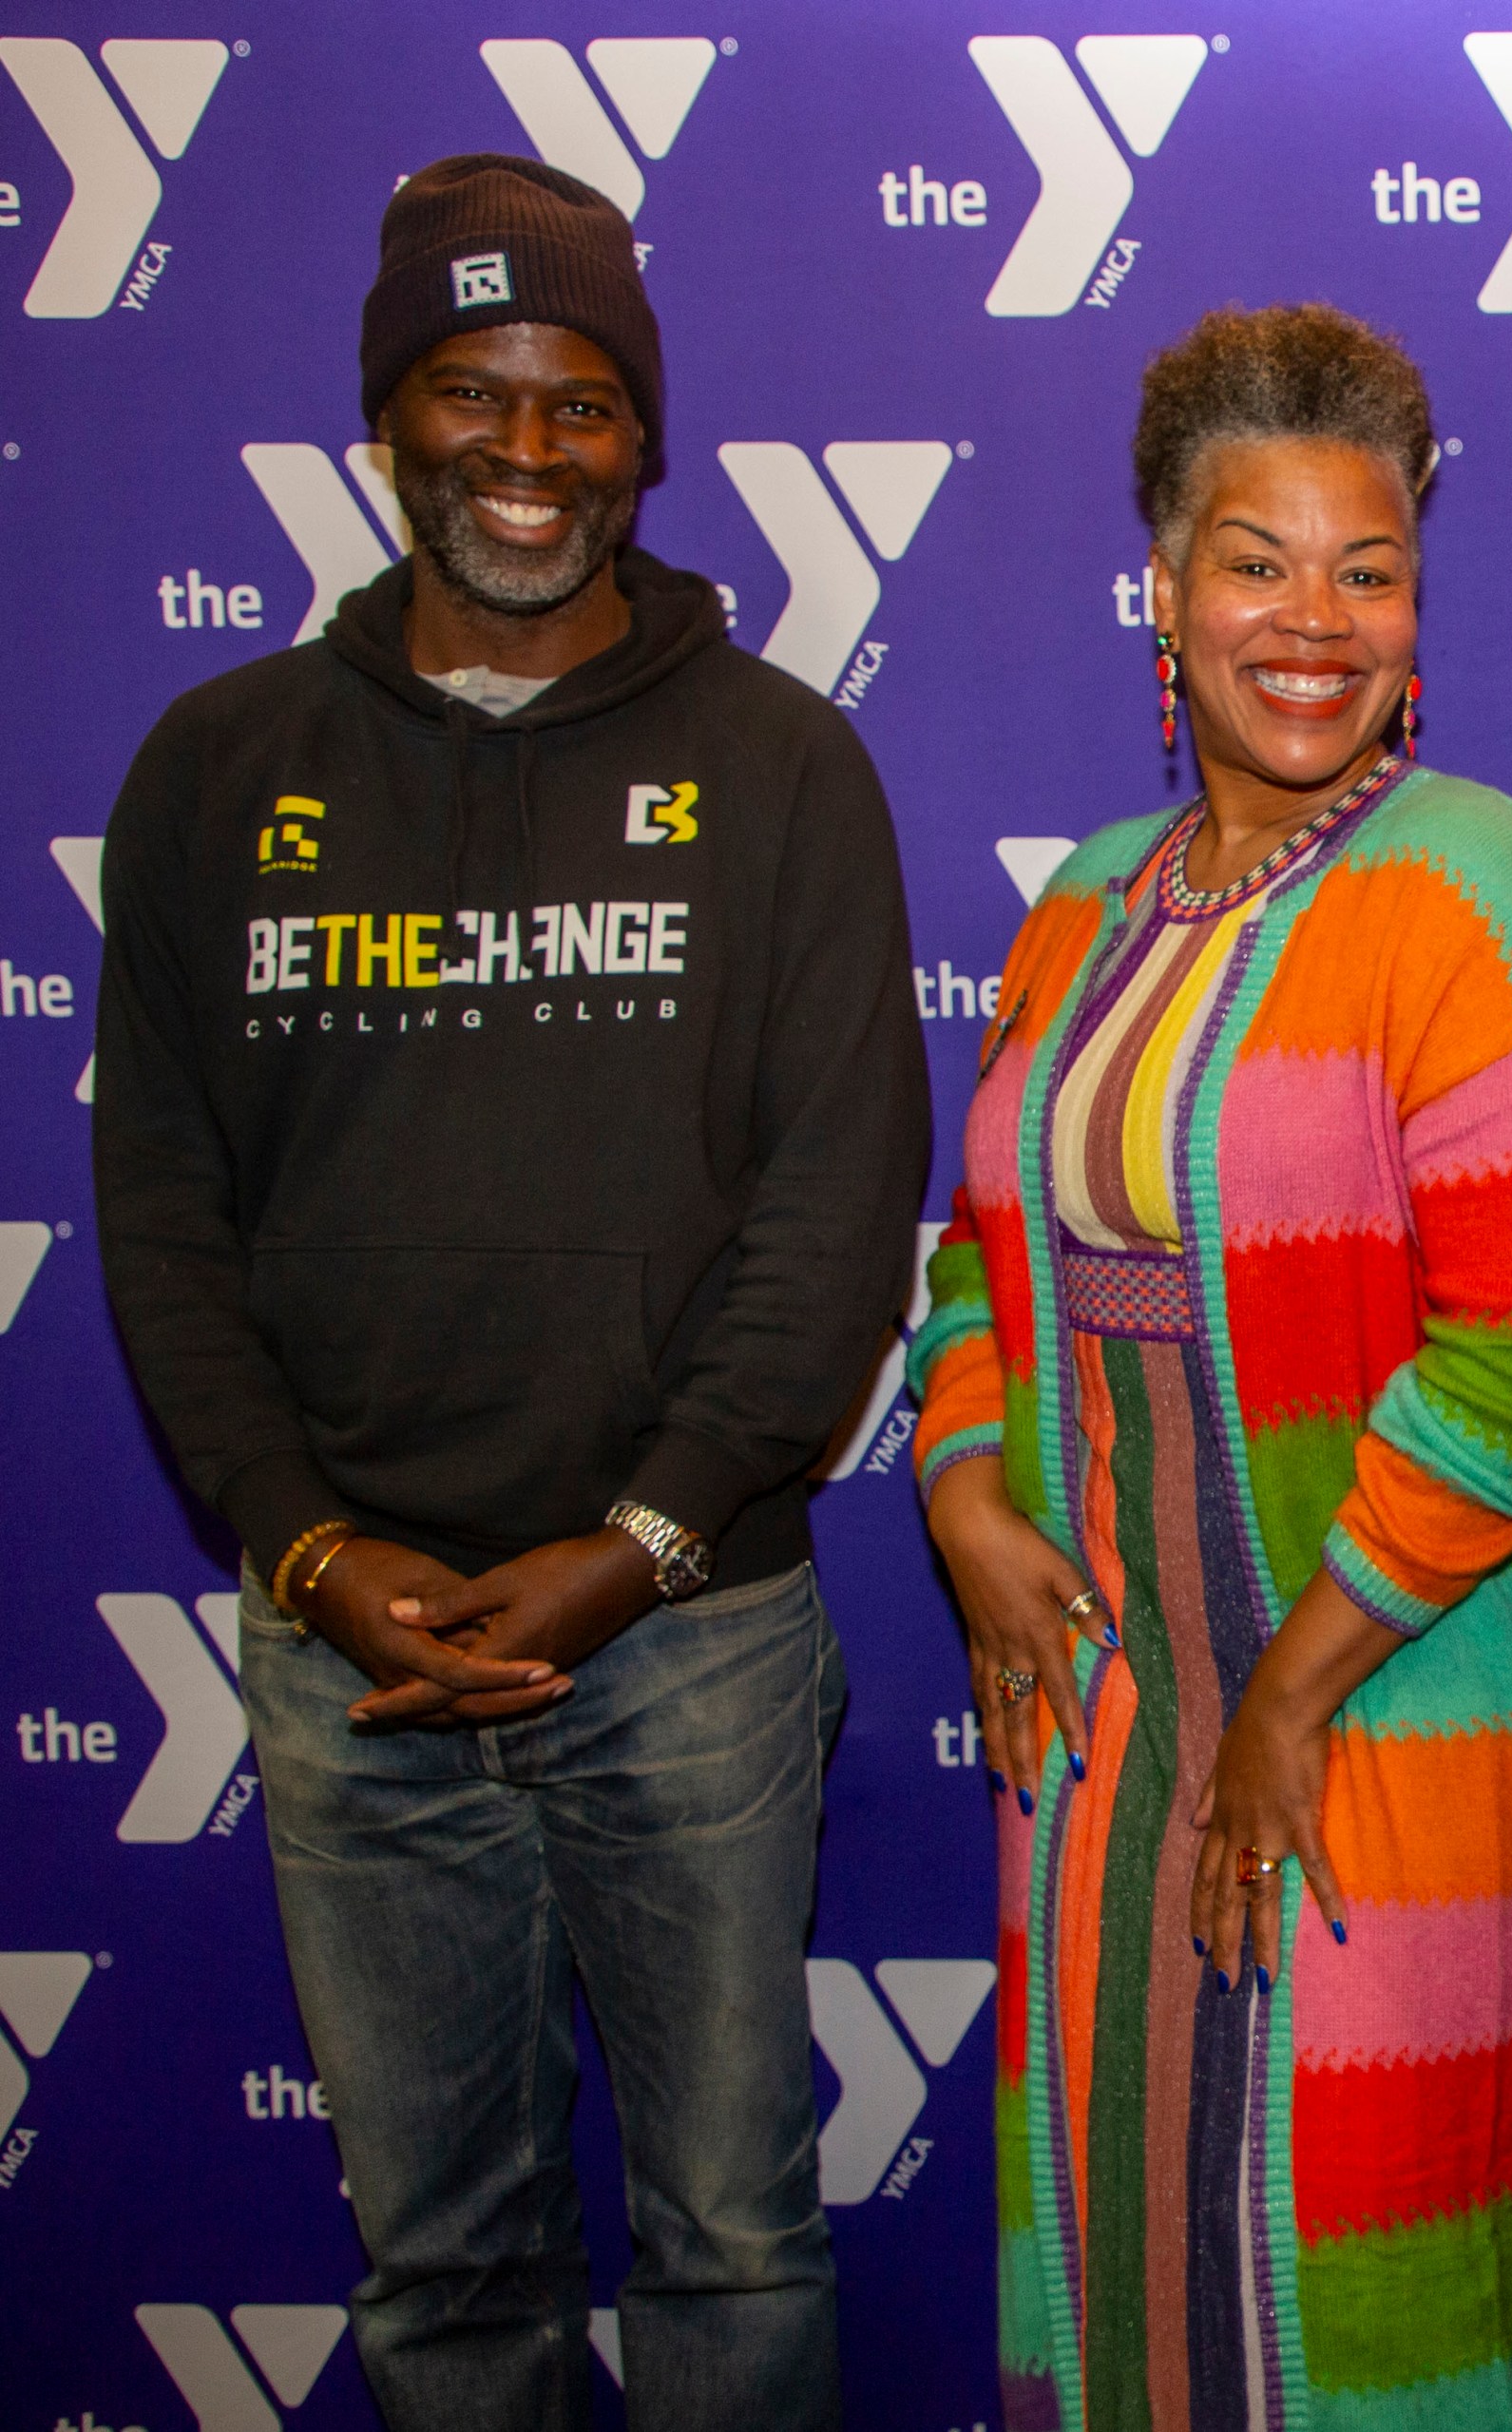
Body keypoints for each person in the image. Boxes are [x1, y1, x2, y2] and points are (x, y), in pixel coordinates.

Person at [91, 155, 928, 2429]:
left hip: (694, 1633)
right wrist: (311, 1543)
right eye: (475, 394)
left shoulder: (779, 767)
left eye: (581, 404)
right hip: (350, 1647)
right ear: (392, 417)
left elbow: (840, 1208)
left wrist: (637, 1541)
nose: (529, 453)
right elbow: (158, 1208)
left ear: (644, 437)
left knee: (734, 2235)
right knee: (441, 2258)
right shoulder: (213, 770)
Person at [909, 304, 1512, 2432]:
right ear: (1162, 582)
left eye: (1369, 567)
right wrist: (968, 1500)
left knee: (1372, 2307)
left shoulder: (1481, 891)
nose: (1313, 621)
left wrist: (1292, 1688)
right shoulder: (1079, 904)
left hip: (1392, 1729)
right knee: (1137, 2264)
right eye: (1257, 559)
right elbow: (979, 1272)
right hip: (1112, 1745)